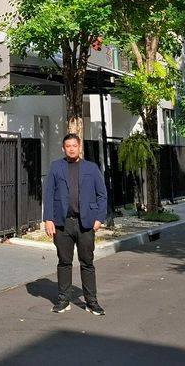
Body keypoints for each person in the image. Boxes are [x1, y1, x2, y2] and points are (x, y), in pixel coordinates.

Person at [42, 132, 107, 315]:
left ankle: (91, 302)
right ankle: (63, 301)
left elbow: (102, 195)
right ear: (63, 148)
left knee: (87, 262)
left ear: (80, 147)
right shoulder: (56, 167)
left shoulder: (91, 168)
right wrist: (48, 219)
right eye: (68, 146)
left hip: (86, 223)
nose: (71, 149)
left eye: (74, 146)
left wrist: (99, 219)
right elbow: (48, 194)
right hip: (62, 224)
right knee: (64, 262)